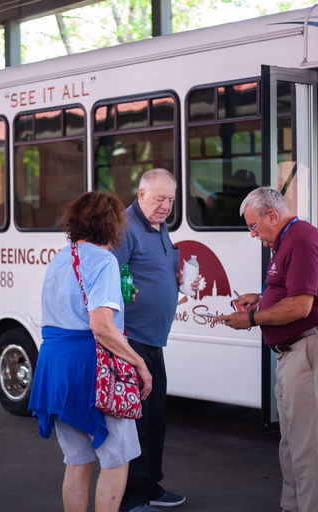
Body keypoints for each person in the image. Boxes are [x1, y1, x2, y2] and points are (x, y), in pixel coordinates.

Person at [216, 186, 318, 512]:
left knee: (313, 448)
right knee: (294, 446)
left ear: (272, 215)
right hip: (299, 350)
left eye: (253, 226)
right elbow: (296, 294)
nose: (252, 234)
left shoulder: (300, 241)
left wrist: (252, 318)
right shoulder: (289, 238)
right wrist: (261, 298)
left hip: (309, 347)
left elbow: (302, 307)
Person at [29, 190, 153, 512]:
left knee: (77, 459)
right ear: (112, 226)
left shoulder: (59, 258)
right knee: (118, 457)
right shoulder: (105, 261)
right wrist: (139, 361)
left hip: (55, 365)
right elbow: (100, 325)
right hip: (92, 367)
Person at [112, 168, 197, 512]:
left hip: (154, 338)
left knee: (156, 415)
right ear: (141, 194)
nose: (166, 206)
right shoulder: (124, 228)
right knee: (137, 419)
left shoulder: (160, 226)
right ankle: (132, 497)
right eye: (160, 199)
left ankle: (151, 486)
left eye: (171, 200)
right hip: (132, 340)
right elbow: (112, 280)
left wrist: (174, 279)